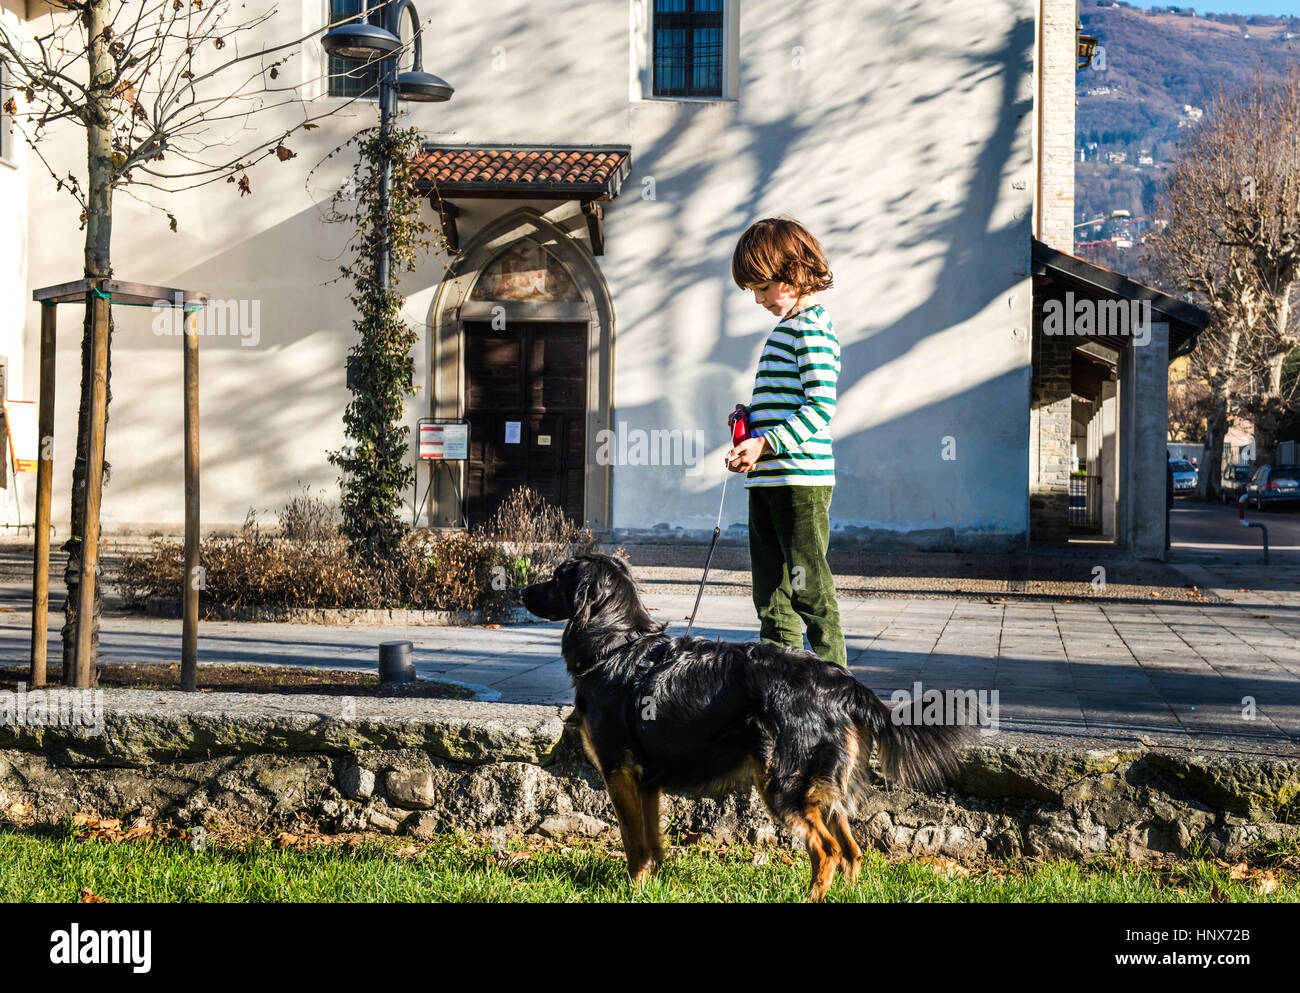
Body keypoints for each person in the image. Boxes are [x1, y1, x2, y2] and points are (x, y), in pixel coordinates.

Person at [725, 217, 846, 668]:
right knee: (770, 593)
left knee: (809, 586)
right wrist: (749, 428)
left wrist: (766, 444)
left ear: (793, 272)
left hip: (801, 482)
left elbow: (819, 408)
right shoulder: (787, 329)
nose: (757, 299)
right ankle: (783, 682)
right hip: (767, 481)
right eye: (752, 290)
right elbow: (786, 403)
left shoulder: (812, 328)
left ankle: (836, 682)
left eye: (762, 287)